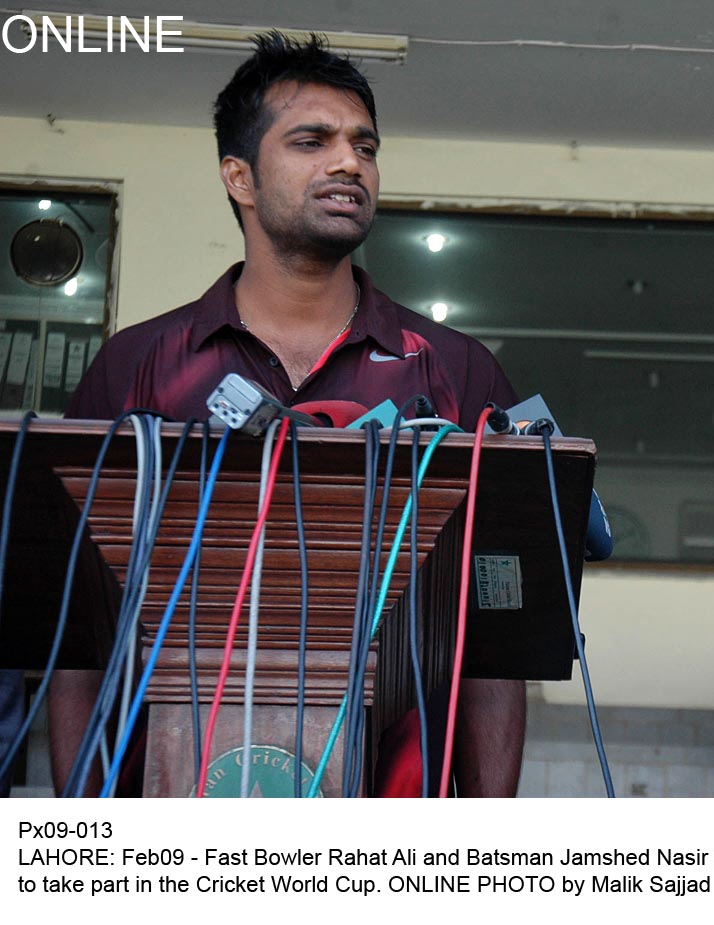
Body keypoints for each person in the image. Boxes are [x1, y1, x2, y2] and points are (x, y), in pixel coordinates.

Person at [56, 32, 523, 797]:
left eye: (363, 146)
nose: (349, 163)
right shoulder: (137, 368)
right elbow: (78, 628)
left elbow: (494, 637)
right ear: (238, 176)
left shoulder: (456, 371)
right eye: (312, 141)